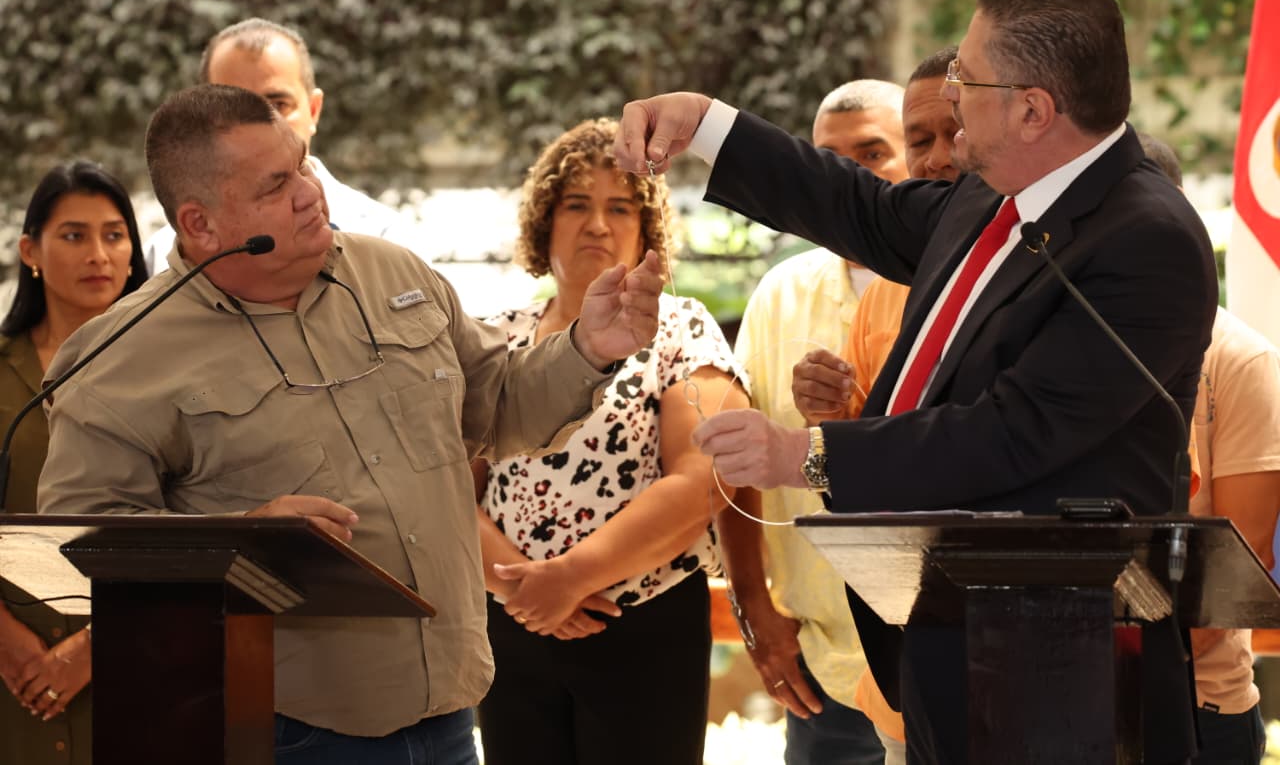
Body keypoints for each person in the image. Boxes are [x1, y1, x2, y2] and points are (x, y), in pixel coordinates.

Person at [616, 0, 1217, 764]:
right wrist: (707, 127)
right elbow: (858, 206)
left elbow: (1018, 431)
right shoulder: (991, 195)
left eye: (968, 77)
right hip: (946, 627)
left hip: (1069, 664)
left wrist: (804, 453)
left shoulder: (1149, 238)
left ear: (1034, 109)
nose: (951, 91)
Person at [37, 84, 663, 765]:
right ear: (202, 223)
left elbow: (499, 404)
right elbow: (79, 548)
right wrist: (236, 545)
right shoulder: (119, 357)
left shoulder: (392, 270)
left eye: (303, 164)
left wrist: (588, 348)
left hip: (451, 715)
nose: (311, 192)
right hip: (277, 731)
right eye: (277, 185)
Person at [471, 117, 748, 765]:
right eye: (576, 204)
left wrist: (571, 577)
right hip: (512, 624)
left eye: (619, 206)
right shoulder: (495, 338)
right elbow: (447, 484)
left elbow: (705, 478)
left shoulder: (682, 326)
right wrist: (524, 589)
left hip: (642, 625)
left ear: (645, 228)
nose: (597, 223)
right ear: (544, 222)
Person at [717, 79, 908, 765]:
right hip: (821, 667)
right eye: (829, 158)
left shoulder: (956, 285)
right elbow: (734, 469)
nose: (848, 176)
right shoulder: (779, 294)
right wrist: (752, 609)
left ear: (917, 160)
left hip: (944, 662)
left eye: (874, 152)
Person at [789, 48, 960, 765]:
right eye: (921, 141)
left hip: (1034, 652)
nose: (937, 160)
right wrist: (831, 415)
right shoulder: (895, 281)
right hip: (898, 659)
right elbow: (866, 460)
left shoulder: (1067, 262)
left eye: (954, 132)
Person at [0, 160, 148, 765]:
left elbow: (200, 518)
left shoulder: (170, 372)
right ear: (30, 250)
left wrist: (94, 646)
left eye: (114, 235)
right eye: (74, 235)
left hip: (142, 657)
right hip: (13, 670)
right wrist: (9, 644)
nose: (99, 254)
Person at [1140, 132, 1280, 765]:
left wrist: (1117, 654)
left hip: (1199, 704)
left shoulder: (1237, 357)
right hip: (1062, 688)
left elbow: (1237, 558)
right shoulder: (1058, 342)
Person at [142, 18, 432, 273]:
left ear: (314, 110)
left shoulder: (388, 241)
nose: (261, 125)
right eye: (236, 108)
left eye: (278, 104)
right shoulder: (170, 255)